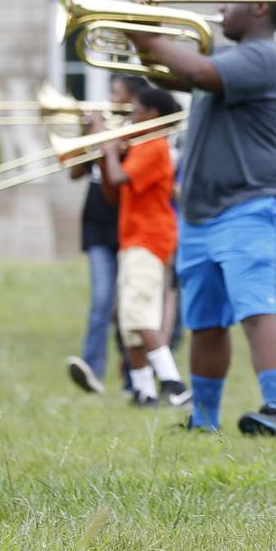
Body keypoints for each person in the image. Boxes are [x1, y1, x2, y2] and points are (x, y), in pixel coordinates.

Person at [127, 0, 276, 435]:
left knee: (257, 309)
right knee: (204, 321)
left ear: (260, 7)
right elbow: (170, 75)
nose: (222, 7)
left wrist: (146, 32)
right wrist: (141, 37)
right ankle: (204, 419)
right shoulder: (225, 57)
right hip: (202, 211)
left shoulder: (265, 57)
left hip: (254, 201)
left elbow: (198, 74)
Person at [101, 86, 190, 406]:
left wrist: (110, 152)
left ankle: (174, 384)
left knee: (139, 314)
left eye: (136, 111)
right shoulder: (139, 146)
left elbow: (120, 178)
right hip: (132, 237)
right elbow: (112, 192)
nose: (130, 117)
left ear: (152, 114)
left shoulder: (154, 146)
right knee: (129, 323)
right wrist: (105, 156)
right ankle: (144, 390)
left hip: (149, 238)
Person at [65, 72, 147, 395]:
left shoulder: (140, 132)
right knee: (101, 300)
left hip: (130, 225)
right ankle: (91, 370)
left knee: (127, 306)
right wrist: (86, 132)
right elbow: (75, 172)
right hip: (97, 225)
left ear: (132, 99)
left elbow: (119, 179)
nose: (110, 99)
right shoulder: (101, 128)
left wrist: (102, 132)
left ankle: (133, 377)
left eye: (116, 93)